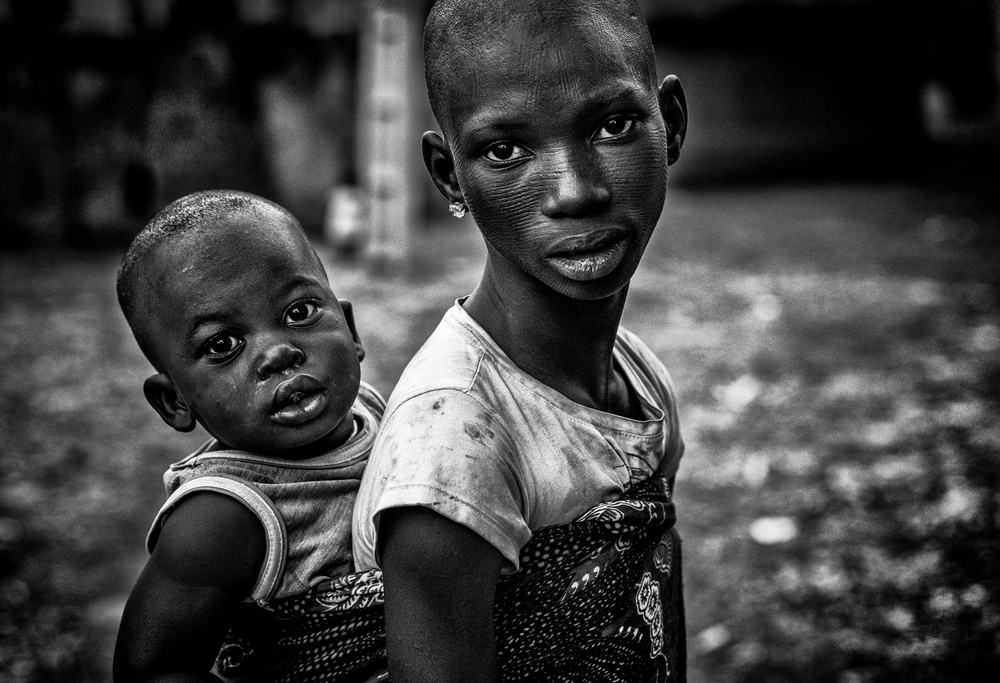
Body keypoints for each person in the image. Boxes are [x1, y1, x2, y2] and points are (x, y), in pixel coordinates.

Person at [352, 0, 689, 681]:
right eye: (505, 150)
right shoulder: (452, 446)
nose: (574, 191)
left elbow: (655, 602)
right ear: (450, 175)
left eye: (612, 126)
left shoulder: (637, 377)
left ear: (671, 125)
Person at [113, 190, 386, 682]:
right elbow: (153, 671)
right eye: (223, 345)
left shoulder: (373, 407)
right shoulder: (224, 516)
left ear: (348, 328)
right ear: (176, 402)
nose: (278, 352)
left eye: (299, 312)